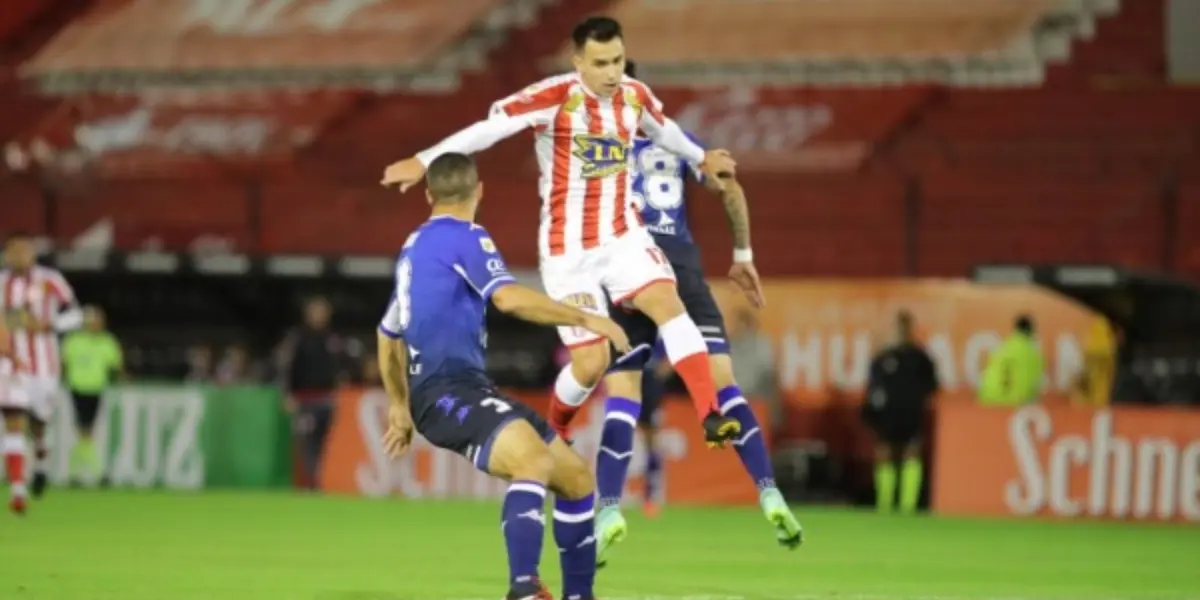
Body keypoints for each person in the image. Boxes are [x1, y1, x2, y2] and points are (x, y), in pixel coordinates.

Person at [380, 17, 743, 454]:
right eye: (601, 63)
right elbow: (489, 129)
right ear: (578, 62)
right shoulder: (553, 97)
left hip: (623, 236)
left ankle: (711, 415)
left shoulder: (634, 95)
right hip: (568, 252)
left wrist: (701, 157)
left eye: (617, 61)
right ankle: (557, 427)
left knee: (668, 302)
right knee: (592, 362)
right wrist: (424, 161)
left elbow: (662, 129)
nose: (612, 73)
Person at [377, 153, 630, 600]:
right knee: (531, 460)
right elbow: (508, 298)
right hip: (447, 391)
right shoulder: (468, 236)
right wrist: (588, 318)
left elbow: (387, 334)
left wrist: (399, 405)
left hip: (456, 391)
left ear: (429, 194)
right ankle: (523, 588)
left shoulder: (412, 249)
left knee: (576, 479)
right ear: (480, 191)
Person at [0, 230, 83, 503]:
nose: (18, 255)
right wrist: (14, 322)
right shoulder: (1, 283)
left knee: (38, 425)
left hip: (45, 366)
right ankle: (18, 489)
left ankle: (41, 463)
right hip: (11, 365)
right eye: (13, 250)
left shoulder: (50, 280)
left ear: (33, 253)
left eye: (24, 249)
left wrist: (50, 325)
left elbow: (76, 314)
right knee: (14, 420)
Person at [861, 311, 939, 514]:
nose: (902, 331)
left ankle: (907, 506)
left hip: (911, 413)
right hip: (888, 415)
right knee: (885, 454)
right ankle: (885, 504)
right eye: (898, 327)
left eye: (905, 326)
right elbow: (872, 389)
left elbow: (932, 386)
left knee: (911, 454)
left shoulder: (920, 358)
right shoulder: (882, 358)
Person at [61, 305, 123, 486]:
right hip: (78, 388)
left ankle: (76, 474)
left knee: (85, 432)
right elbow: (64, 363)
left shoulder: (107, 341)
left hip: (96, 388)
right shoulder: (74, 340)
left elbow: (116, 365)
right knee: (85, 431)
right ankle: (96, 473)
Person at [978, 314, 1045, 405]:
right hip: (1015, 402)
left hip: (989, 399)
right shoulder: (1034, 354)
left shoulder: (1002, 347)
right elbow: (1034, 385)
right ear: (1032, 331)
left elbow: (986, 372)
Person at [0, 311, 27, 513]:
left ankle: (18, 491)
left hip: (8, 373)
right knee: (14, 431)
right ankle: (18, 490)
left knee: (13, 431)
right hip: (12, 375)